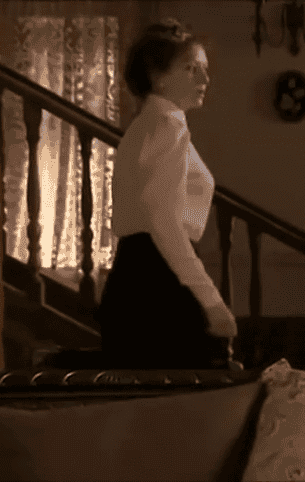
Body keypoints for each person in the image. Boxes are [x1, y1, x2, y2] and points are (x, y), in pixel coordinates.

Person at [96, 18, 237, 369]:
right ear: (158, 76)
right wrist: (211, 301)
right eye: (191, 69)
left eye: (204, 69)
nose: (204, 79)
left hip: (136, 275)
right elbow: (164, 222)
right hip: (158, 283)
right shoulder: (167, 125)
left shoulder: (145, 126)